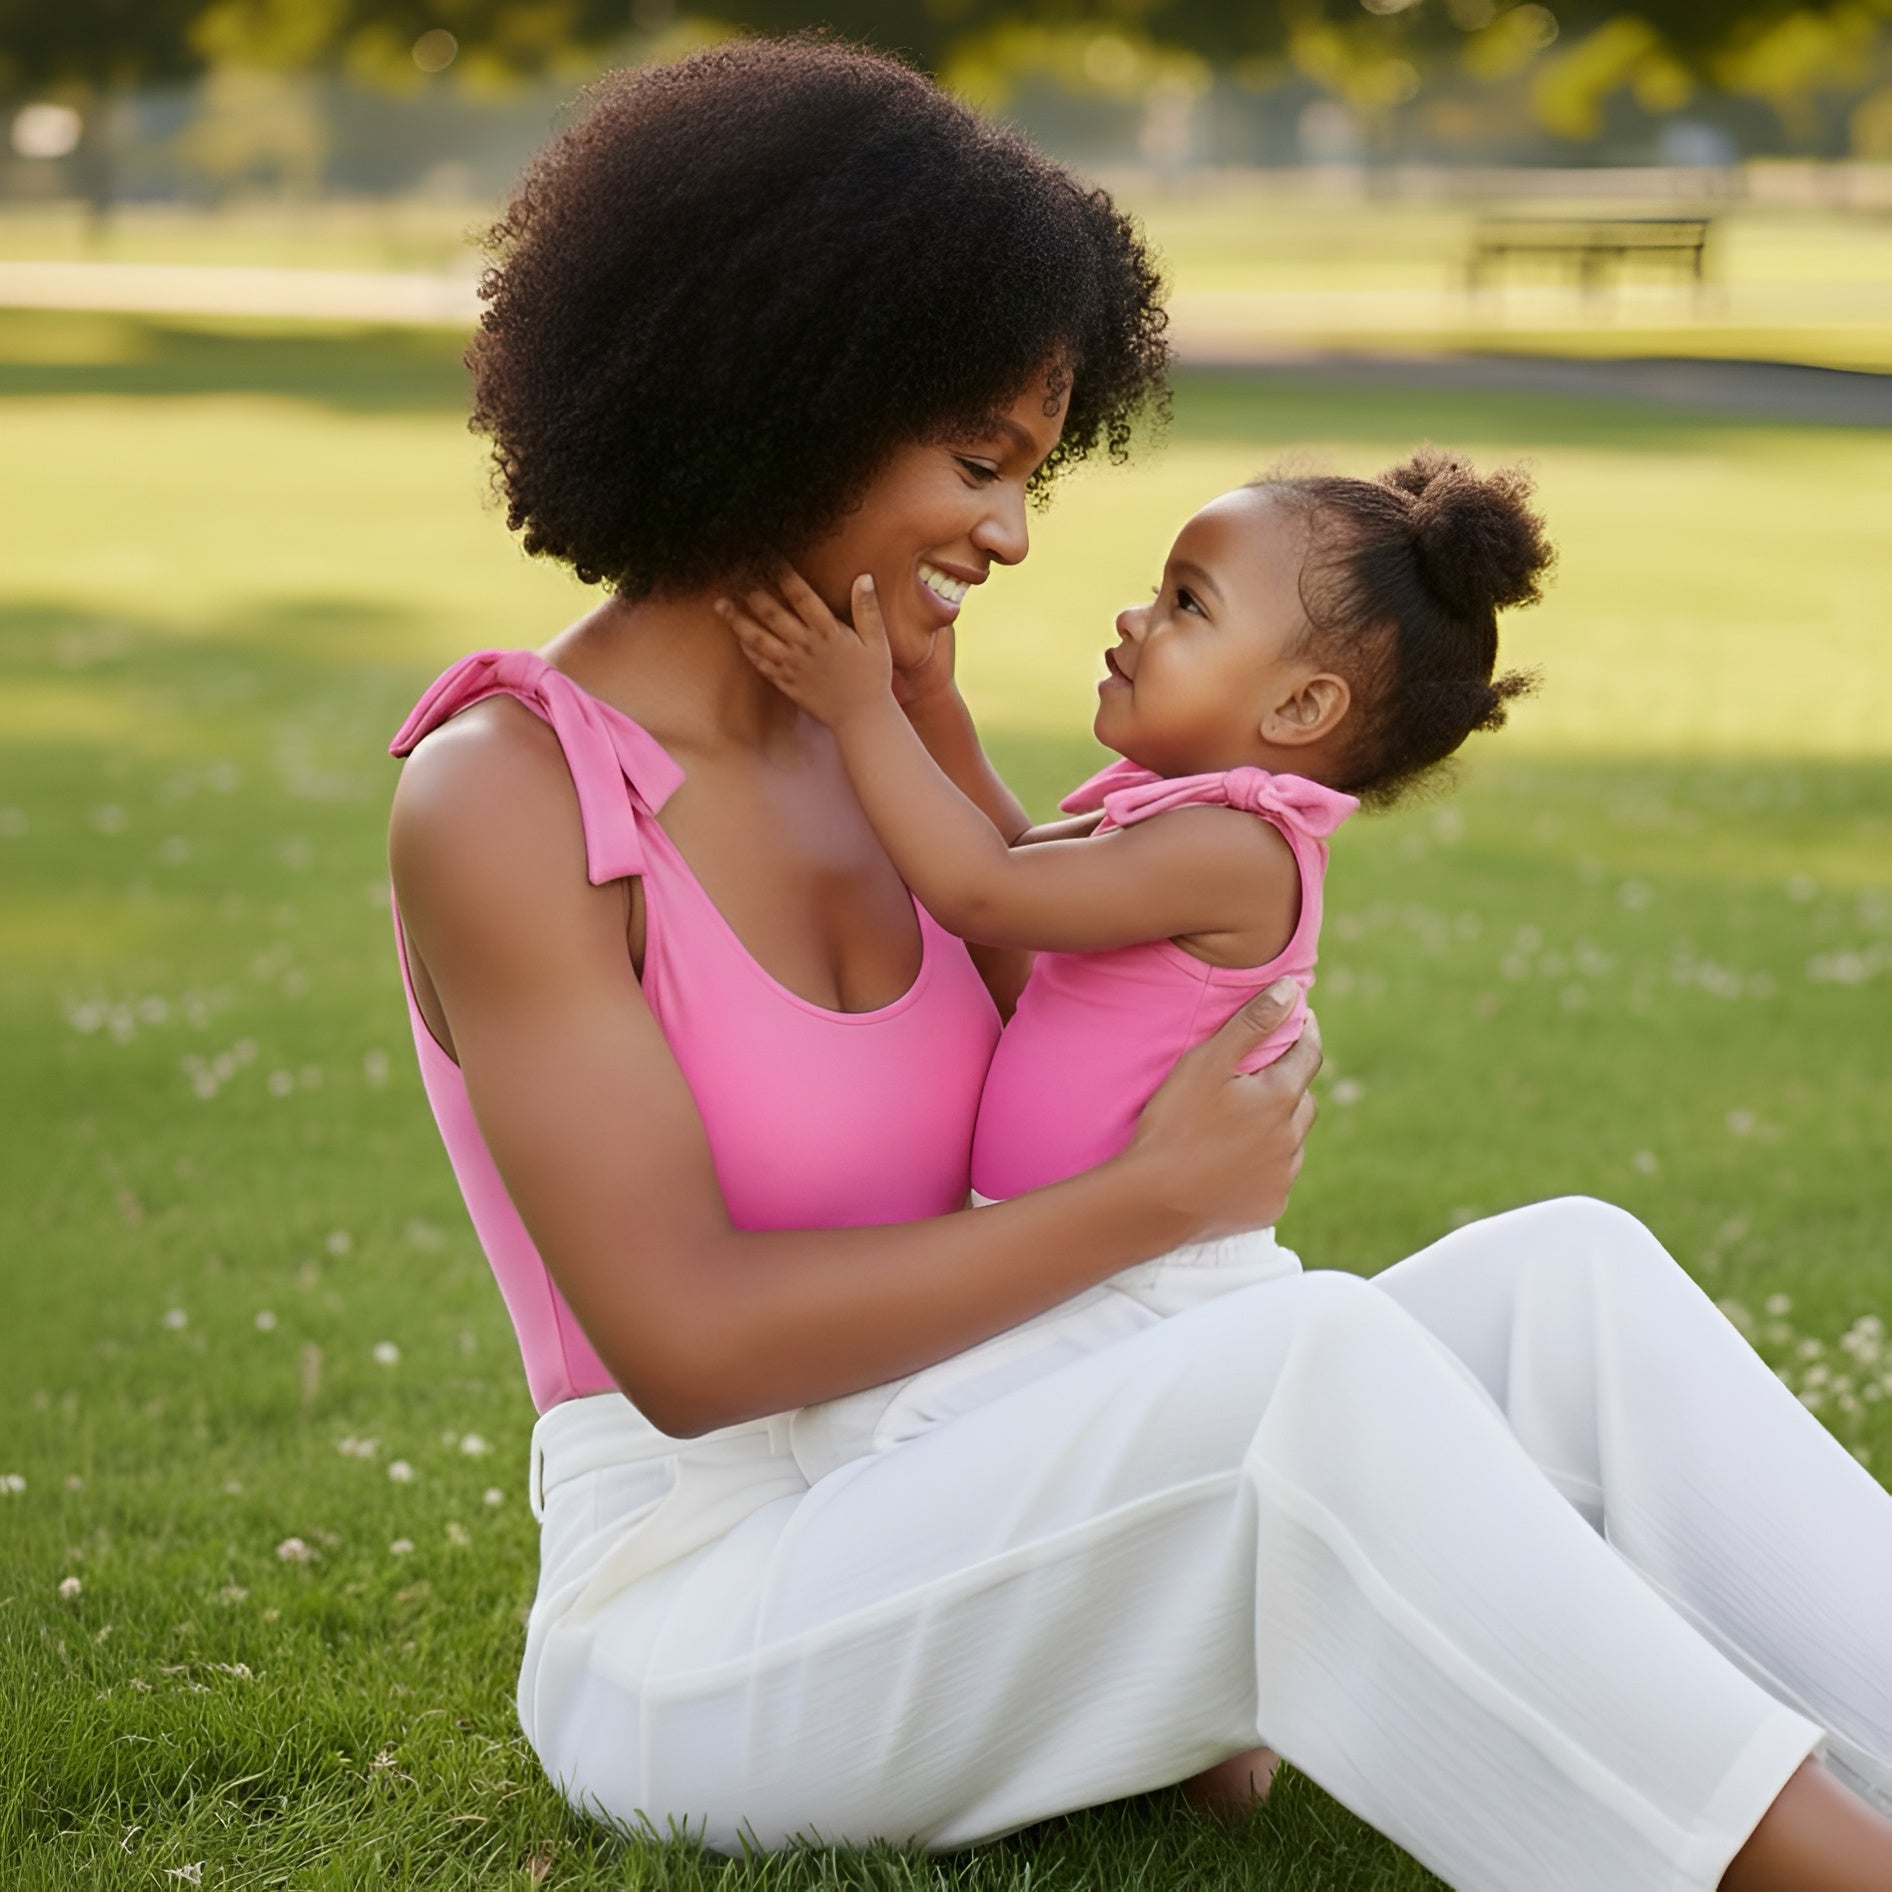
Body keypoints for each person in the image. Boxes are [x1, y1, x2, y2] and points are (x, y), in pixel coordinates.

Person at [384, 35, 1892, 1892]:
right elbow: (689, 1351)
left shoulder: (869, 747)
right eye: (977, 462)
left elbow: (1061, 1001)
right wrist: (1152, 1207)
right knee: (1302, 1362)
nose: (1014, 534)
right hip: (709, 1608)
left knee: (1563, 1279)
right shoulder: (508, 797)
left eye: (1031, 470)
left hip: (964, 1464)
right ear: (792, 390)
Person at [721, 451, 1550, 1480]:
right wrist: (928, 701)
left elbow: (979, 893)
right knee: (856, 1423)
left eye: (1186, 605)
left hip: (1149, 1285)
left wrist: (861, 713)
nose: (1132, 617)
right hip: (1090, 1257)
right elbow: (1019, 866)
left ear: (1299, 708)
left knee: (857, 1438)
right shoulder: (1176, 806)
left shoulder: (1240, 852)